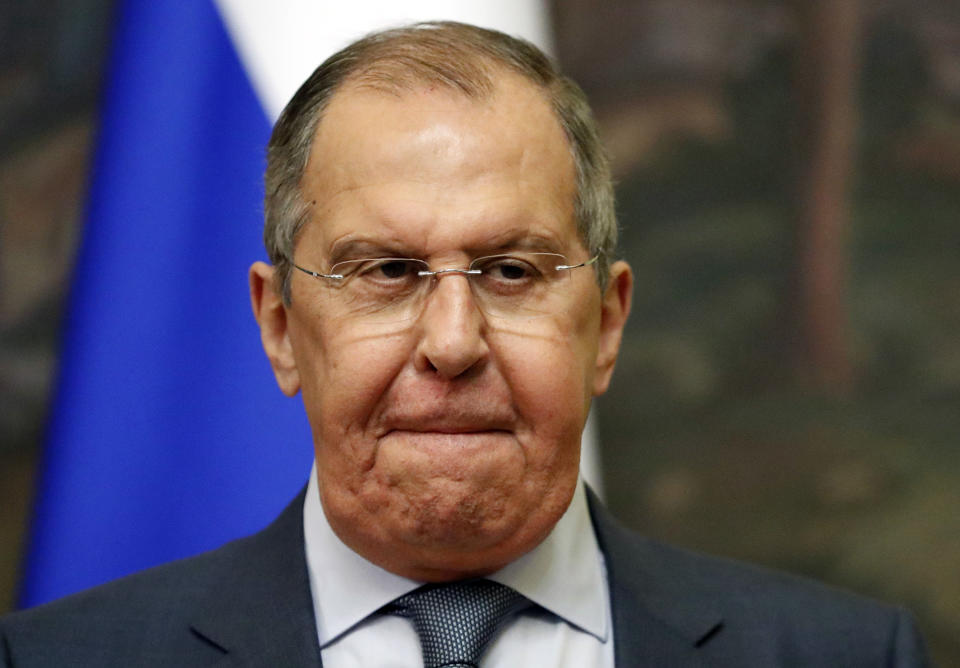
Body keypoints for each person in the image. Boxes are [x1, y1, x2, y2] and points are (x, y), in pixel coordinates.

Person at [0, 21, 928, 667]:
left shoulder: (836, 655)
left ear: (606, 323)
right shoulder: (64, 661)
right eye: (388, 272)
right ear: (281, 327)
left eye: (512, 271)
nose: (452, 343)